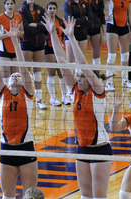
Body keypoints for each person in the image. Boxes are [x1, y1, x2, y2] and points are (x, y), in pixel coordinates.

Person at [42, 14, 112, 199]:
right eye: (78, 76)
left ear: (90, 78)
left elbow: (83, 65)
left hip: (100, 149)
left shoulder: (98, 90)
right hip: (81, 147)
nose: (79, 78)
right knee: (85, 196)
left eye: (82, 76)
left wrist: (71, 38)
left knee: (98, 197)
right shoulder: (75, 91)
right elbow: (62, 63)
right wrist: (53, 35)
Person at [0, 19, 38, 199]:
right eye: (12, 75)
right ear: (7, 81)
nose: (15, 76)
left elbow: (22, 68)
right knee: (7, 196)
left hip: (26, 148)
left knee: (30, 195)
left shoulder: (28, 92)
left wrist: (15, 40)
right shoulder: (2, 93)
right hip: (6, 150)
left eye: (18, 76)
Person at [18, 0, 47, 110]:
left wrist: (35, 25)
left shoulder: (41, 9)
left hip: (40, 44)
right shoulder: (21, 11)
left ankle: (39, 100)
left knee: (38, 74)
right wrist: (39, 28)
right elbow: (25, 29)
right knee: (26, 73)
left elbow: (45, 25)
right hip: (26, 44)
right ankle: (26, 99)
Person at [105, 0, 131, 91]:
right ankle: (109, 82)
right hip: (112, 26)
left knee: (125, 55)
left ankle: (125, 80)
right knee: (112, 56)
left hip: (124, 27)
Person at [44, 2, 71, 106]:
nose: (52, 10)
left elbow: (64, 34)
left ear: (56, 10)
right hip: (48, 48)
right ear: (47, 10)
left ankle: (65, 96)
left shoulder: (60, 21)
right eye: (50, 8)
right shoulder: (44, 21)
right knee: (51, 73)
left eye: (54, 8)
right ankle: (53, 98)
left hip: (59, 49)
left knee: (62, 73)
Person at [0, 0, 25, 86]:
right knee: (5, 76)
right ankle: (6, 97)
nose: (10, 5)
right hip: (4, 51)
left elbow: (22, 32)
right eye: (7, 4)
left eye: (11, 3)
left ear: (14, 5)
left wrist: (16, 33)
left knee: (15, 76)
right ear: (4, 5)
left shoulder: (19, 16)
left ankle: (15, 95)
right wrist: (8, 35)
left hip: (16, 50)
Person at [87, 0, 107, 68]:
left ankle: (96, 75)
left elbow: (102, 15)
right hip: (84, 29)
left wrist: (104, 33)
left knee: (96, 56)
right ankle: (78, 75)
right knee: (81, 54)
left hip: (96, 29)